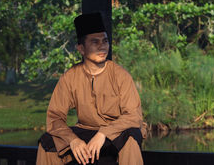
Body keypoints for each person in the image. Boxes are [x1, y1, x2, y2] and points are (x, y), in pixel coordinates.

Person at [36, 12, 146, 165]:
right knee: (48, 142)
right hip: (86, 131)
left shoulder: (121, 75)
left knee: (131, 136)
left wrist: (103, 133)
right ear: (81, 49)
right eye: (95, 42)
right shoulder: (70, 77)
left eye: (105, 41)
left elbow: (134, 116)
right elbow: (55, 118)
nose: (102, 46)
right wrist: (73, 140)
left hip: (117, 132)